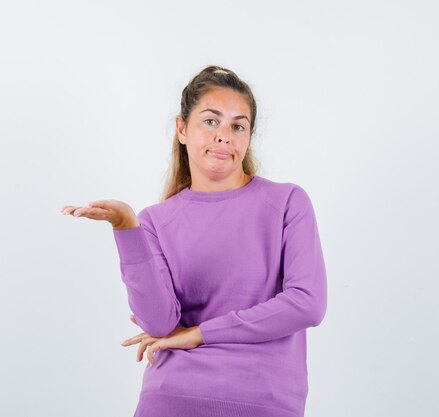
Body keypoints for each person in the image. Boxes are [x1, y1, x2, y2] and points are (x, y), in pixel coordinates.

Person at [60, 65, 328, 417]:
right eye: (211, 121)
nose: (224, 136)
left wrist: (199, 333)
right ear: (182, 128)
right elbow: (158, 324)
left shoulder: (287, 202)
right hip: (171, 399)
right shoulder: (155, 220)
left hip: (261, 402)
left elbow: (307, 304)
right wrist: (127, 228)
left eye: (238, 125)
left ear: (248, 136)